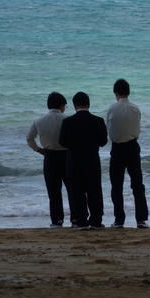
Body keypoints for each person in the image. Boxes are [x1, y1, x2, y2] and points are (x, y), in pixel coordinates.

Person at [58, 91, 107, 229]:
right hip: (92, 160)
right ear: (89, 104)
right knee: (94, 191)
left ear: (74, 105)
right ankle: (96, 221)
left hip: (74, 161)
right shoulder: (98, 121)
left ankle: (81, 221)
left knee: (77, 191)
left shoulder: (67, 122)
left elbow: (62, 142)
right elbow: (103, 141)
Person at [106, 79, 149, 229]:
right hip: (132, 147)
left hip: (117, 148)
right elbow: (137, 130)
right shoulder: (135, 109)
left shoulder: (112, 109)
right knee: (137, 184)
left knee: (116, 185)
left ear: (115, 93)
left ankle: (119, 220)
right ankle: (141, 219)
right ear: (128, 92)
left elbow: (110, 131)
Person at [26, 92, 71, 228]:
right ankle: (75, 219)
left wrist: (39, 150)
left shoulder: (39, 120)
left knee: (53, 191)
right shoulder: (67, 119)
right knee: (72, 189)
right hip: (66, 156)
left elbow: (29, 138)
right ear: (62, 105)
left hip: (49, 156)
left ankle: (57, 221)